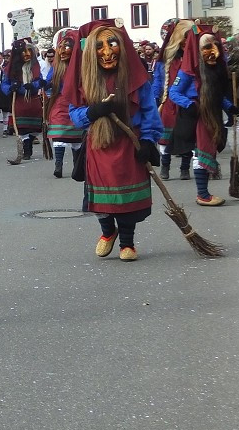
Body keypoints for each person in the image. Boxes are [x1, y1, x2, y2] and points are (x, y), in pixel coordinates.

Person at [60, 20, 163, 262]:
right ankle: (108, 231)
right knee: (101, 198)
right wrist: (92, 112)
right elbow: (75, 115)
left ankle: (128, 242)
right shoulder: (83, 81)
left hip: (129, 143)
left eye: (112, 44)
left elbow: (149, 111)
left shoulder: (136, 80)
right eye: (100, 47)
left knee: (127, 200)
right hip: (99, 144)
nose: (107, 52)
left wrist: (148, 140)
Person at [167, 25, 239, 206]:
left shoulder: (216, 70)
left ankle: (204, 193)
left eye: (215, 45)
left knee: (208, 151)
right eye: (207, 47)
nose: (212, 51)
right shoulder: (187, 71)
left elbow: (218, 95)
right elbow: (173, 93)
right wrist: (189, 104)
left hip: (212, 115)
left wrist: (230, 107)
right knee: (200, 153)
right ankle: (203, 195)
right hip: (196, 117)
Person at [44, 28, 83, 178]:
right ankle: (58, 165)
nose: (63, 51)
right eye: (61, 47)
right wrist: (44, 84)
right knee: (59, 136)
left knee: (76, 138)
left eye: (67, 47)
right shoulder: (56, 66)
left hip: (76, 102)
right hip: (60, 103)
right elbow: (49, 81)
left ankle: (76, 166)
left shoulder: (81, 66)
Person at [158, 19, 194, 181]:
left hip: (187, 104)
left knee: (186, 138)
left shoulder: (194, 58)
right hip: (169, 104)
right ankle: (165, 167)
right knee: (166, 139)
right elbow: (158, 82)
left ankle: (185, 169)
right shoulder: (166, 60)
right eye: (185, 38)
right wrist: (154, 101)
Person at [1, 39, 45, 160]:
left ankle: (29, 141)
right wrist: (11, 88)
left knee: (36, 128)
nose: (27, 54)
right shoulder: (10, 70)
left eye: (29, 51)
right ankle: (26, 148)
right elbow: (4, 84)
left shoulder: (35, 67)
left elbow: (39, 80)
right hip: (19, 101)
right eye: (24, 52)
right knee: (22, 128)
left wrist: (34, 85)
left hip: (33, 100)